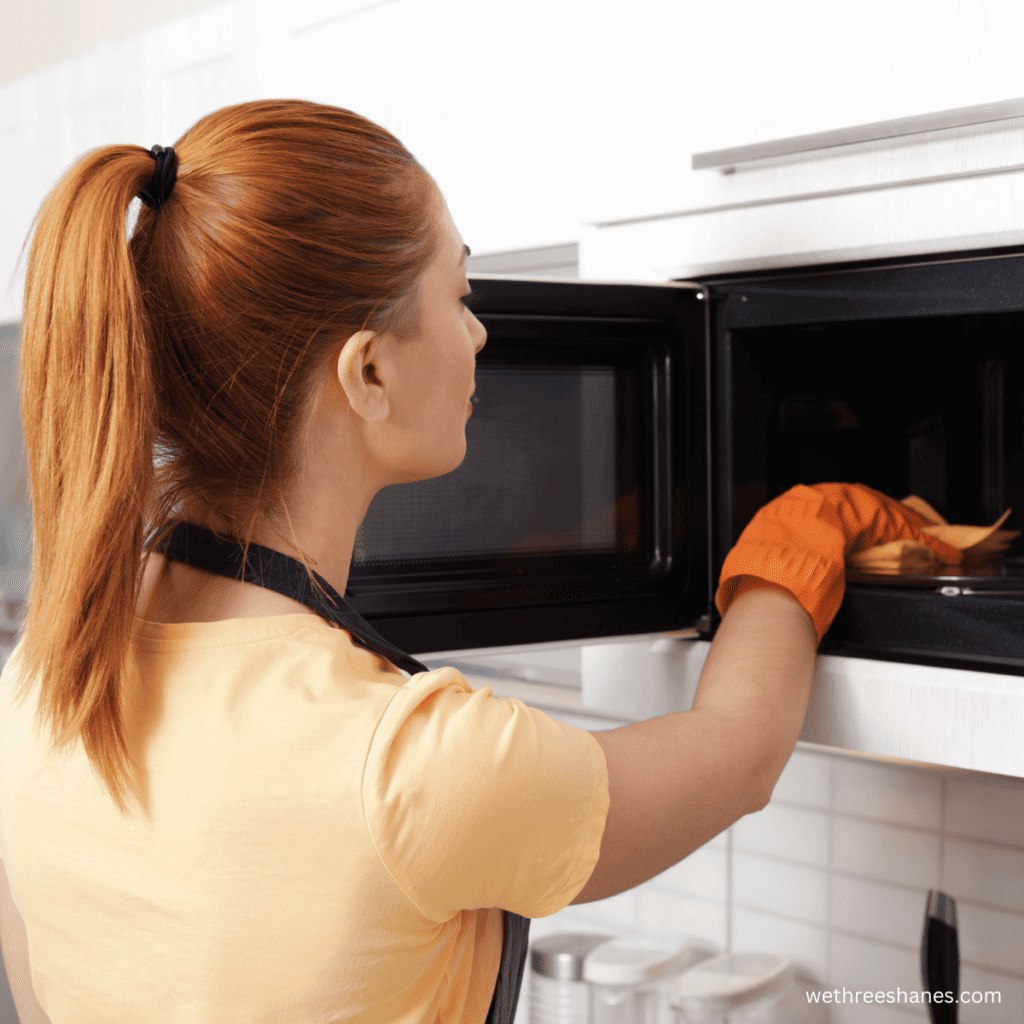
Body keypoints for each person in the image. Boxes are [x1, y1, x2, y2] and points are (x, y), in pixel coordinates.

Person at [0, 98, 953, 1024]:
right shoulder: (414, 764)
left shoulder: (44, 677)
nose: (481, 332)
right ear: (369, 372)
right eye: (459, 294)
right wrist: (805, 527)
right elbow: (739, 755)